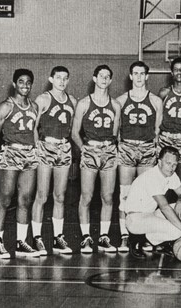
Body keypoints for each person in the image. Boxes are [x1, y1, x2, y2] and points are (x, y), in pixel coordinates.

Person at [71, 65, 121, 253]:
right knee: (87, 196)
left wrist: (110, 148)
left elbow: (116, 133)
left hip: (108, 152)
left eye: (108, 76)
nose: (104, 79)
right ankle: (85, 237)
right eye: (101, 76)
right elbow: (74, 132)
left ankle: (104, 237)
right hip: (90, 151)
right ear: (94, 78)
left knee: (108, 196)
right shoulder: (84, 103)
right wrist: (84, 149)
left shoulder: (115, 105)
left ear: (110, 80)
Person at [0, 69, 39, 258]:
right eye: (21, 82)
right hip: (10, 153)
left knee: (25, 200)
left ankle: (21, 242)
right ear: (14, 84)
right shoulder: (6, 106)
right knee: (5, 198)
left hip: (29, 155)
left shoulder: (35, 107)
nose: (25, 85)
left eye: (28, 82)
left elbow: (35, 132)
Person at [116, 61, 163, 252]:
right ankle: (124, 236)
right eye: (135, 73)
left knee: (146, 196)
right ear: (130, 76)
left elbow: (158, 131)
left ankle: (144, 236)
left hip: (146, 149)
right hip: (127, 147)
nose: (138, 77)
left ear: (147, 76)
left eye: (142, 74)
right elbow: (116, 129)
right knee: (125, 195)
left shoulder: (155, 101)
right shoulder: (120, 100)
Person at [31, 66, 77, 255]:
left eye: (65, 78)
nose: (62, 81)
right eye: (58, 78)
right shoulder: (43, 99)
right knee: (42, 195)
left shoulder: (73, 101)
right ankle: (37, 238)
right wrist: (37, 148)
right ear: (51, 79)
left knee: (60, 196)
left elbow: (72, 130)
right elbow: (32, 127)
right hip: (45, 147)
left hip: (63, 148)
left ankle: (58, 238)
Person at [122, 146, 181, 259]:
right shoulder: (152, 177)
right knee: (176, 231)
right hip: (135, 219)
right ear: (159, 162)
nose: (172, 167)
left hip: (151, 214)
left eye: (174, 164)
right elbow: (164, 207)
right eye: (168, 163)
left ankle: (155, 241)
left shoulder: (171, 174)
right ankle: (136, 239)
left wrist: (180, 201)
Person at [158, 57, 181, 188]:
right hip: (165, 140)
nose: (179, 73)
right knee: (162, 185)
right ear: (171, 73)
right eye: (176, 70)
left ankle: (179, 208)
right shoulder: (164, 92)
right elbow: (158, 118)